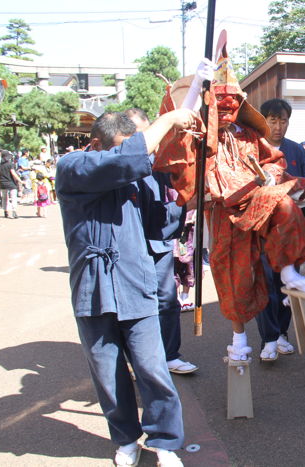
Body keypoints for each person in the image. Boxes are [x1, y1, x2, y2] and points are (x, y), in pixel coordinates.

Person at [153, 52, 305, 362]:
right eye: (221, 103)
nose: (228, 108)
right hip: (223, 214)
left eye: (233, 103)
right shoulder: (202, 137)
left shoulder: (250, 136)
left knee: (283, 204)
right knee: (235, 275)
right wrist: (192, 91)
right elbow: (175, 140)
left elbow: (274, 163)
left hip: (255, 201)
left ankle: (287, 271)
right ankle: (239, 339)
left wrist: (270, 175)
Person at [57, 110, 195, 466]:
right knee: (107, 372)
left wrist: (186, 199)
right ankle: (126, 438)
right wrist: (171, 118)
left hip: (135, 282)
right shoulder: (72, 166)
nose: (131, 161)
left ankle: (165, 441)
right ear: (95, 145)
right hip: (93, 287)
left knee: (152, 368)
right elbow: (128, 158)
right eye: (121, 150)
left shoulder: (136, 175)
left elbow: (160, 225)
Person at [126, 107, 198, 375]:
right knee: (134, 306)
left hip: (159, 244)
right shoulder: (120, 165)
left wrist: (184, 206)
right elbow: (152, 214)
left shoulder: (158, 163)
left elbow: (162, 211)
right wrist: (184, 206)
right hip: (130, 247)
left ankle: (169, 354)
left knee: (167, 301)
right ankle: (135, 361)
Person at [257, 98, 305, 361]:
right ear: (263, 121)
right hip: (262, 231)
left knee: (288, 283)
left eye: (283, 120)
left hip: (291, 233)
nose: (278, 126)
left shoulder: (296, 151)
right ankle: (268, 339)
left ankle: (282, 334)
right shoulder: (253, 150)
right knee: (265, 285)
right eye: (273, 120)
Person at [0, 151, 22, 219]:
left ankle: (5, 211)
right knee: (13, 198)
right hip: (11, 183)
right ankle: (14, 211)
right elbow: (13, 174)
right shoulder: (10, 164)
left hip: (2, 183)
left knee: (4, 198)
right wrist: (20, 181)